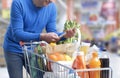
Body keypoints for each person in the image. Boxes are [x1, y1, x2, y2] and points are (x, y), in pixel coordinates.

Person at [3, 0, 75, 78]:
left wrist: (64, 35)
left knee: (40, 76)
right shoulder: (18, 3)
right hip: (13, 48)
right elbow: (17, 34)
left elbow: (52, 32)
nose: (51, 1)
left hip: (32, 49)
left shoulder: (51, 7)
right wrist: (42, 37)